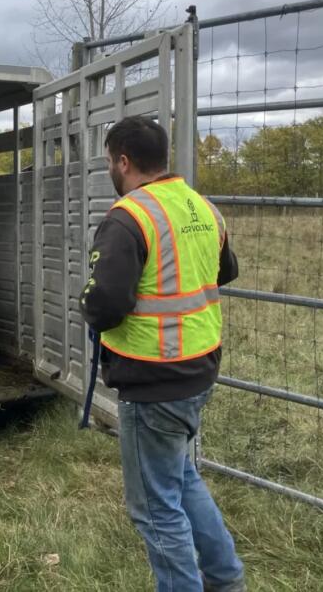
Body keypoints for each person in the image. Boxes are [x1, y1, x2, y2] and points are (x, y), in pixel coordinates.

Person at [80, 115, 246, 592]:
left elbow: (106, 304)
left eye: (111, 160)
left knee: (154, 508)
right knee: (181, 478)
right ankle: (226, 578)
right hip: (198, 369)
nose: (112, 169)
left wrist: (85, 302)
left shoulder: (128, 215)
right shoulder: (201, 207)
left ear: (124, 161)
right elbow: (223, 272)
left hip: (153, 378)